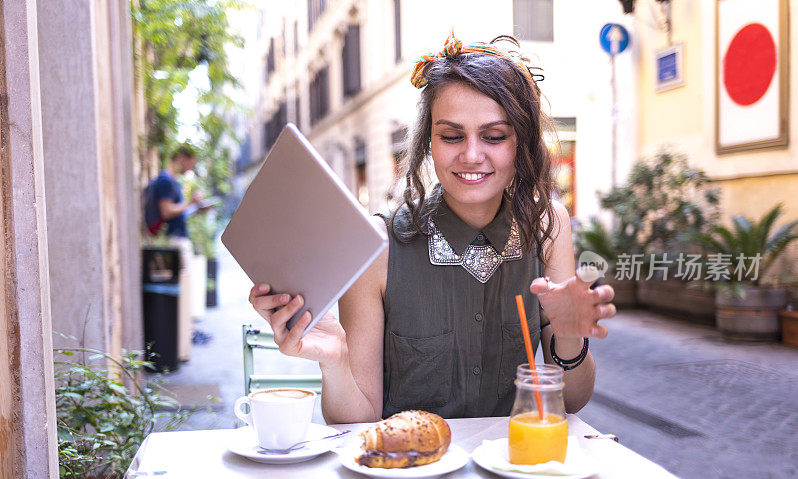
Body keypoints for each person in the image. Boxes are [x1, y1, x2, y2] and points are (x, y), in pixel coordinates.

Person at [249, 33, 616, 424]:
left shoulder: (548, 225)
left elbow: (572, 401)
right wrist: (335, 360)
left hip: (517, 469)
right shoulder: (378, 245)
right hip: (408, 475)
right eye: (451, 136)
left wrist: (570, 335)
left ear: (520, 142)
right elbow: (355, 421)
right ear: (428, 141)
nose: (472, 155)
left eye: (494, 136)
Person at [151, 143, 205, 362]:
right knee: (182, 293)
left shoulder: (170, 181)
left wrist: (193, 209)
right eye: (190, 164)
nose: (190, 169)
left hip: (177, 239)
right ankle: (182, 342)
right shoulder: (165, 180)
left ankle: (185, 339)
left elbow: (175, 213)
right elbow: (166, 211)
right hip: (174, 242)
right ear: (182, 158)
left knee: (185, 292)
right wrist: (190, 202)